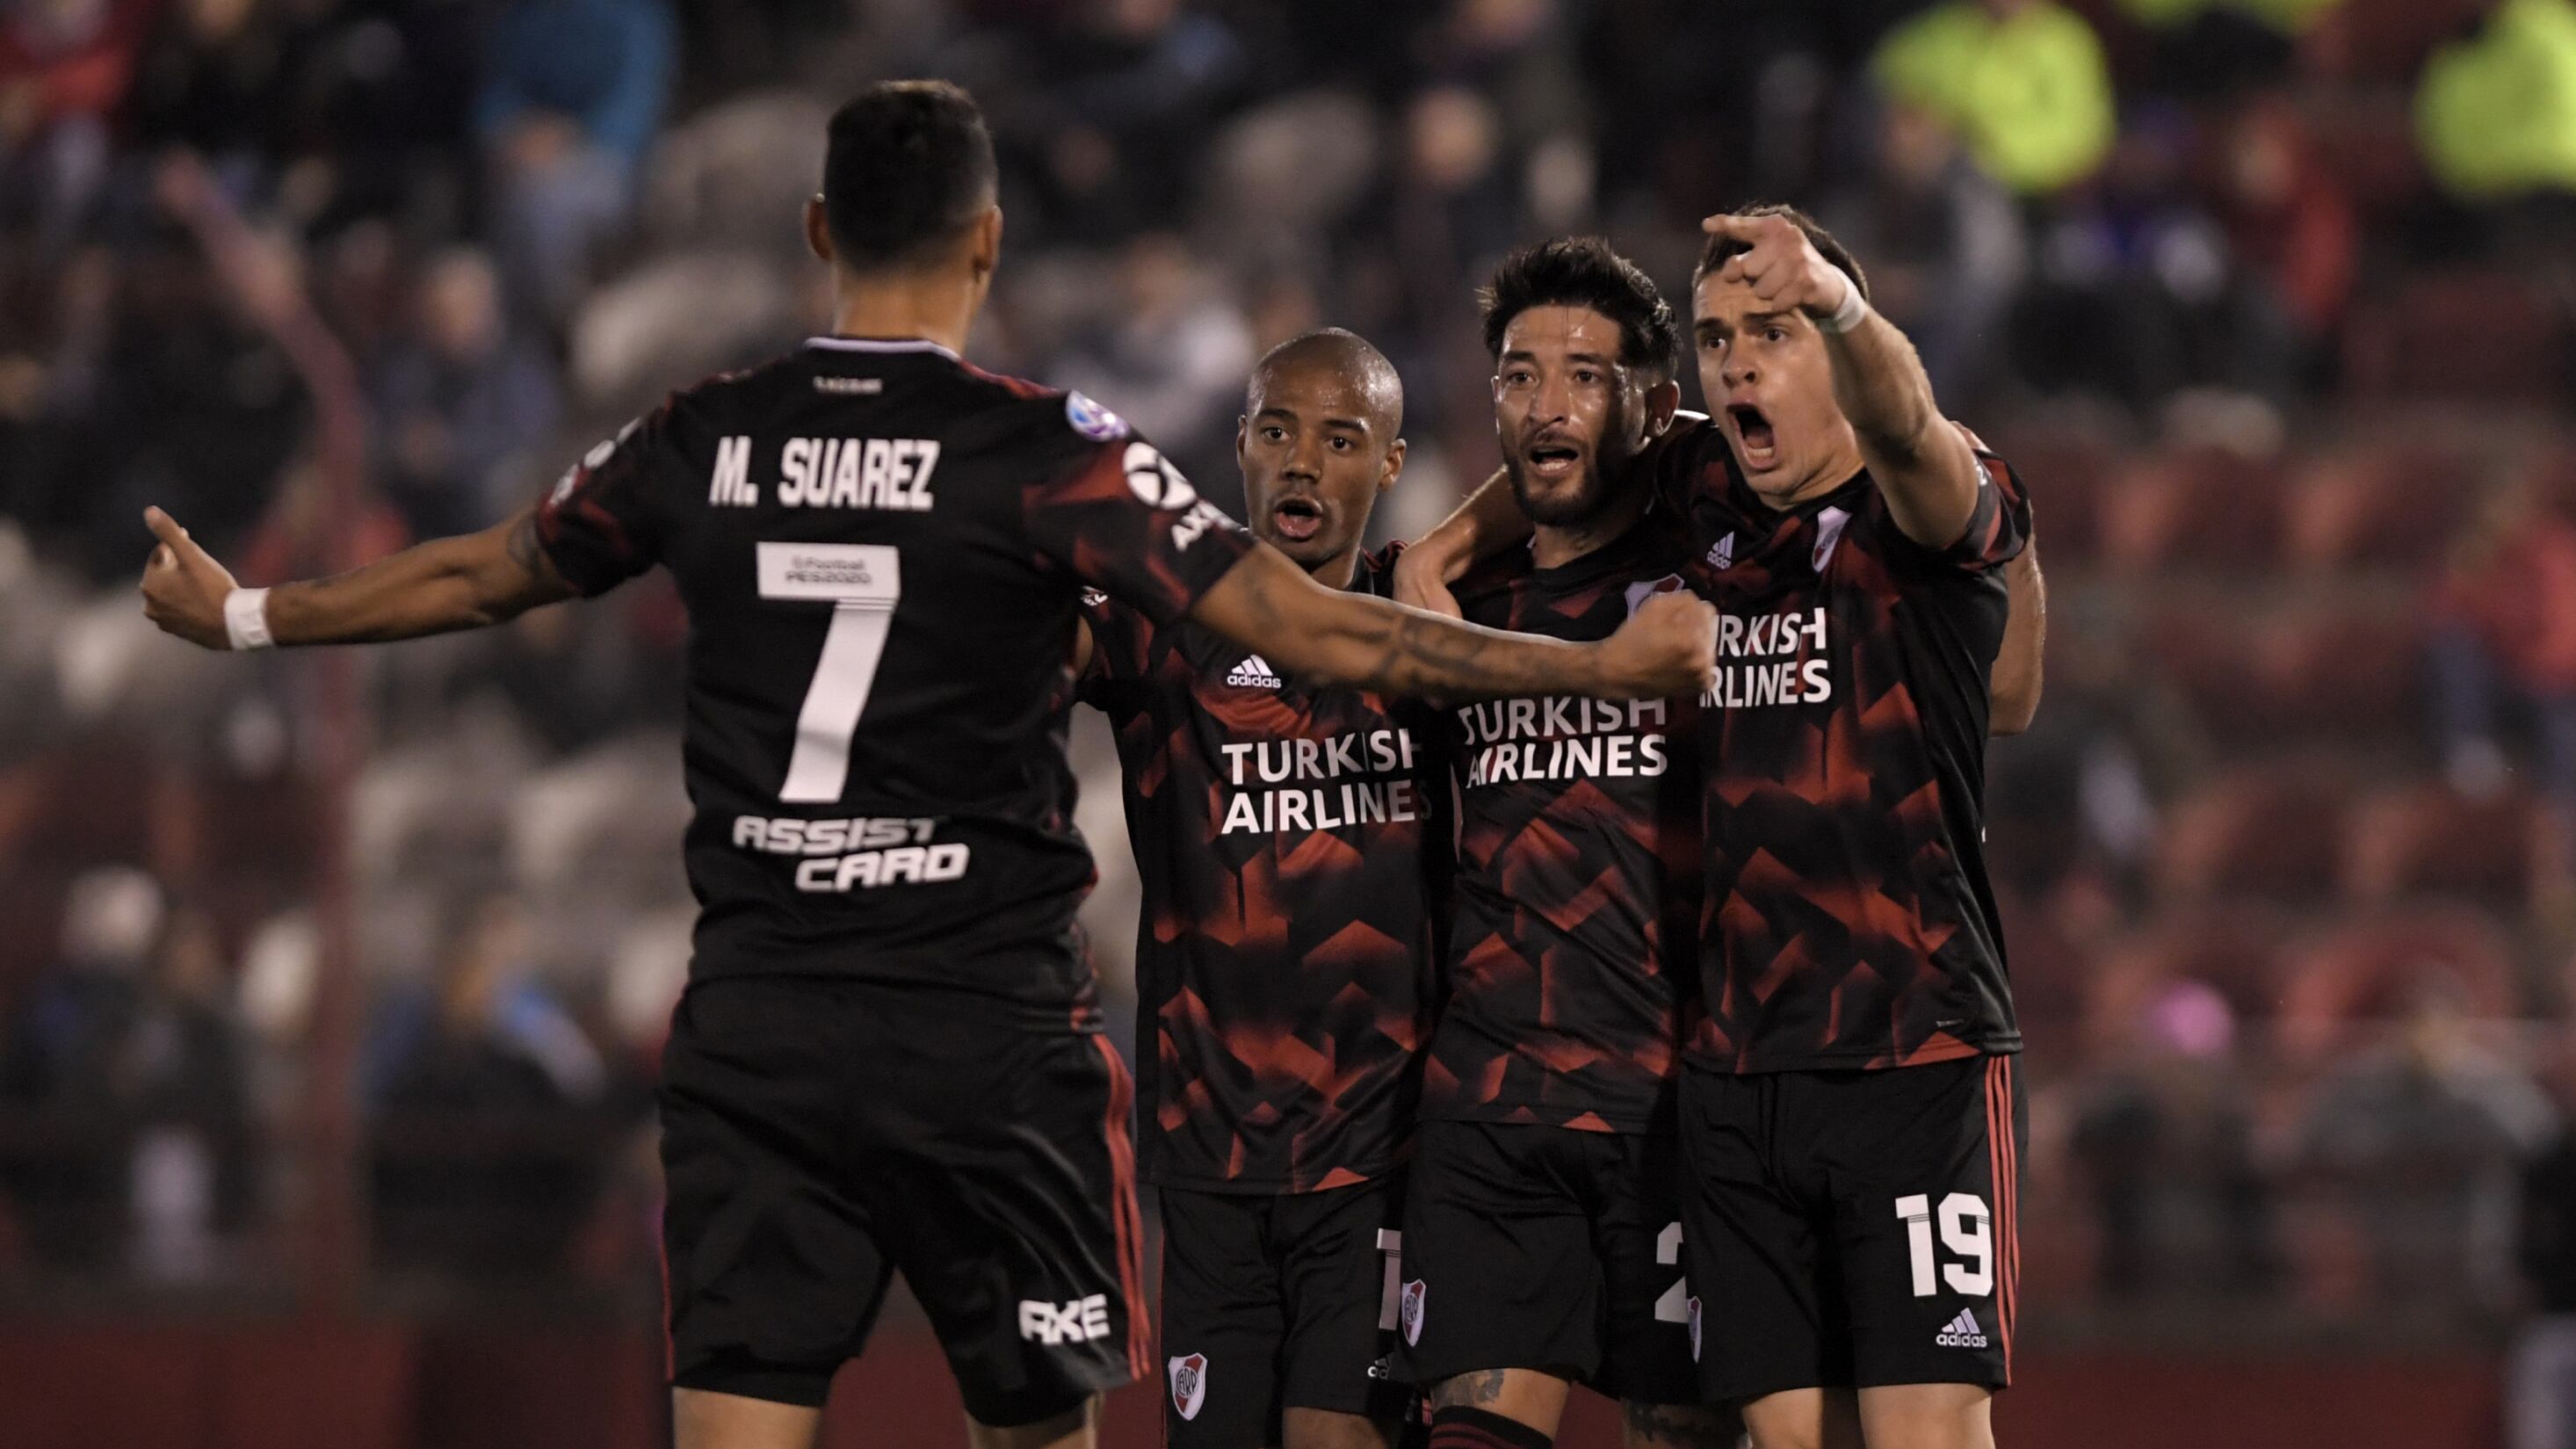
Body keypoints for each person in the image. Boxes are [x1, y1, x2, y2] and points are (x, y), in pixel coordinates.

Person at [136, 80, 1718, 1449]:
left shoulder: (709, 430)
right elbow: (1329, 636)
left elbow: (490, 569)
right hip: (983, 1035)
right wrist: (1599, 664)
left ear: (819, 229)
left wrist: (255, 613)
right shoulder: (1052, 449)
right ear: (986, 241)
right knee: (1033, 1424)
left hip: (762, 1024)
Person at [1399, 206, 2037, 1449]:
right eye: (1718, 337)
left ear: (1843, 354)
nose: (1739, 361)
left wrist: (1846, 306)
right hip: (1737, 1075)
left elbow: (1908, 427)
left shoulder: (1926, 505)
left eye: (1777, 332)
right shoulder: (1706, 493)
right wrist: (1446, 541)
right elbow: (1582, 435)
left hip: (1911, 1046)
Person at [1397, 239, 1739, 1449]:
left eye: (1585, 377)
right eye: (1519, 374)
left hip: (1678, 1108)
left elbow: (1726, 423)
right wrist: (1435, 551)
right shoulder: (1442, 608)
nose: (1545, 405)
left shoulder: (1710, 575)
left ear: (1645, 404)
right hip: (1489, 1106)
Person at [1074, 328, 1436, 1449]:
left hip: (1378, 1157)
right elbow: (1024, 645)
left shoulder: (1427, 629)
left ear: (1388, 462)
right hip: (1209, 1158)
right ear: (1238, 445)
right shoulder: (1164, 621)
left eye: (1339, 439)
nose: (1300, 462)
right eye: (1276, 430)